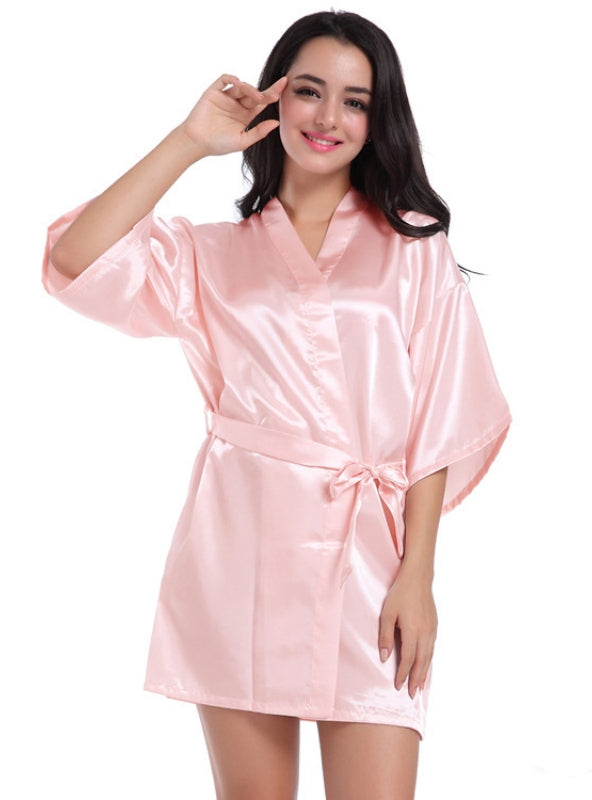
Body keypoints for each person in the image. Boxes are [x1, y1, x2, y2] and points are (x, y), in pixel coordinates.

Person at [42, 10, 511, 800]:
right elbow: (72, 259)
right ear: (274, 98)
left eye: (356, 102)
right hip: (239, 555)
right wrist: (189, 140)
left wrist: (418, 575)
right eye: (310, 91)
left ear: (379, 120)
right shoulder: (210, 254)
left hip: (370, 563)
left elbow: (440, 413)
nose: (329, 118)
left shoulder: (414, 246)